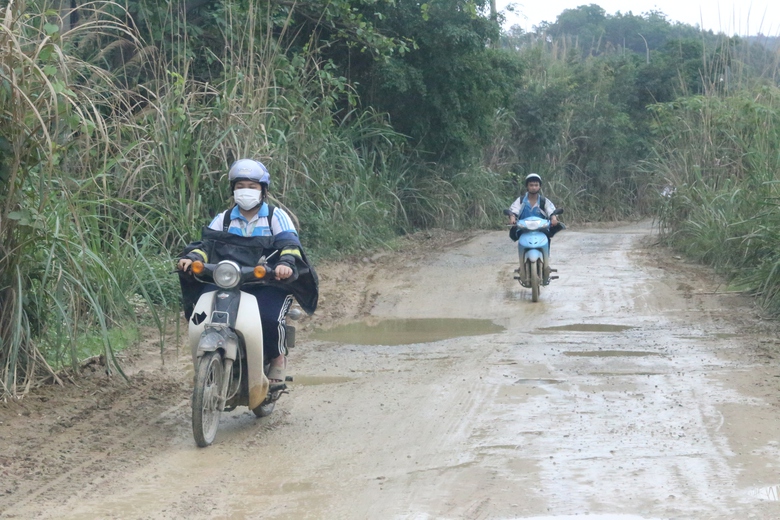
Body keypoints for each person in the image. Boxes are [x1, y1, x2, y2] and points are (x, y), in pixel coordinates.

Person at [177, 158, 315, 384]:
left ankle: (277, 358)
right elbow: (206, 246)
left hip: (268, 282)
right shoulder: (223, 219)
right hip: (227, 281)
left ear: (263, 190)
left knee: (269, 319)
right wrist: (192, 258)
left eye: (252, 186)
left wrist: (285, 263)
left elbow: (290, 245)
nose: (246, 191)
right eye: (240, 186)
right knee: (201, 315)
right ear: (233, 190)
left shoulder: (275, 217)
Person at [507, 173, 562, 242]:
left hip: (541, 230)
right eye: (531, 185)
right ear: (527, 186)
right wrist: (512, 217)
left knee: (548, 236)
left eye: (536, 185)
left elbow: (550, 210)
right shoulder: (521, 200)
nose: (534, 187)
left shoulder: (543, 201)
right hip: (524, 230)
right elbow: (514, 210)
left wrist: (553, 218)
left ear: (539, 187)